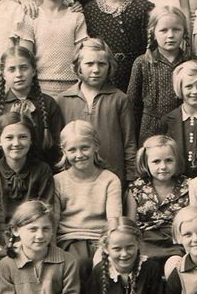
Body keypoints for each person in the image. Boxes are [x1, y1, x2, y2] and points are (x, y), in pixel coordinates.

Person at [57, 38, 138, 187]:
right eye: (89, 64)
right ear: (78, 67)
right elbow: (58, 146)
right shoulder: (63, 100)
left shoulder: (120, 99)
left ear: (109, 66)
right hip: (75, 181)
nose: (96, 70)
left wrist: (131, 180)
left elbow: (129, 143)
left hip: (113, 179)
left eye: (101, 64)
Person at [0, 112, 56, 251]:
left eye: (23, 137)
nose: (16, 143)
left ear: (31, 140)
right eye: (9, 137)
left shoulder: (42, 171)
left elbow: (45, 213)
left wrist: (26, 242)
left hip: (33, 241)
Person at [54, 121, 123, 275]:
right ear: (64, 151)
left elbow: (114, 221)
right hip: (69, 241)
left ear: (96, 146)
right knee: (80, 263)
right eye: (72, 150)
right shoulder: (58, 181)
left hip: (101, 240)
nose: (79, 155)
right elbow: (53, 221)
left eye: (85, 147)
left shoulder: (110, 180)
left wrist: (107, 247)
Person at [82, 0, 155, 92]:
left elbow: (152, 46)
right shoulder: (90, 10)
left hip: (138, 76)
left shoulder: (144, 8)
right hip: (103, 76)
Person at [0, 45, 64, 169]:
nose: (18, 74)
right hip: (4, 175)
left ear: (34, 71)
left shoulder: (48, 104)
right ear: (3, 74)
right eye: (12, 69)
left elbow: (58, 146)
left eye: (24, 68)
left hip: (43, 173)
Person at [128, 5, 191, 143]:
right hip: (151, 127)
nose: (170, 35)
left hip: (183, 125)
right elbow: (132, 104)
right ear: (153, 32)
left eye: (176, 29)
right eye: (163, 30)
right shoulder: (142, 63)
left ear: (184, 32)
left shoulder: (191, 62)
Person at [126, 135, 191, 264]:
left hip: (175, 243)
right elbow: (130, 225)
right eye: (156, 161)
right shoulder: (137, 188)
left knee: (176, 263)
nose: (163, 166)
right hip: (145, 242)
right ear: (145, 163)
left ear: (177, 161)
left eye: (169, 160)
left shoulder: (189, 186)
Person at [30, 0, 88, 97]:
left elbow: (82, 54)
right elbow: (25, 56)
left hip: (72, 87)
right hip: (39, 87)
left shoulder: (76, 16)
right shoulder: (32, 16)